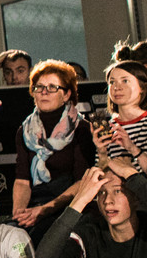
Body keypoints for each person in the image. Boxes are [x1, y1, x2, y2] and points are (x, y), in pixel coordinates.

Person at [9, 60, 95, 236]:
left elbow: (82, 183)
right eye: (39, 87)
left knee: (40, 235)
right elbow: (22, 180)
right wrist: (19, 214)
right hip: (36, 202)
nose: (44, 92)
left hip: (69, 206)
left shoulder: (81, 128)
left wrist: (43, 210)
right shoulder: (25, 130)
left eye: (52, 87)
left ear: (66, 94)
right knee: (11, 235)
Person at [91, 60, 147, 178]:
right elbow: (101, 178)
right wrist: (102, 154)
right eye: (112, 82)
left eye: (125, 81)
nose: (117, 87)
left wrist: (132, 148)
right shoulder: (108, 127)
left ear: (142, 87)